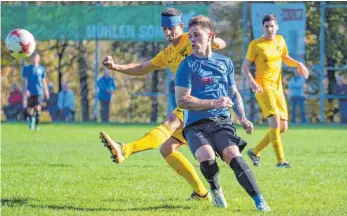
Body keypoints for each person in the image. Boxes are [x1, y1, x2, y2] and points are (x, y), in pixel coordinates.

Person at [100, 7, 226, 200]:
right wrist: (116, 67)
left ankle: (125, 149)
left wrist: (213, 40)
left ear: (181, 27)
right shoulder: (167, 53)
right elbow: (142, 68)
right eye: (164, 29)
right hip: (191, 105)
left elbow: (221, 43)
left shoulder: (190, 38)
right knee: (167, 149)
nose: (168, 32)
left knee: (170, 122)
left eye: (172, 28)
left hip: (204, 101)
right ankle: (201, 193)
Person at [175, 15, 269, 211]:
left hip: (221, 122)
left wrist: (242, 117)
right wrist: (213, 102)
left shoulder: (224, 62)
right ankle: (216, 189)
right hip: (195, 125)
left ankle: (260, 201)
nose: (192, 40)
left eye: (197, 35)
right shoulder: (186, 65)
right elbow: (182, 101)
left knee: (233, 155)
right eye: (190, 36)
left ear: (211, 36)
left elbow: (234, 94)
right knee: (207, 157)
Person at [242, 14, 309, 168]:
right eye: (267, 26)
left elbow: (284, 56)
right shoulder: (256, 45)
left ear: (277, 27)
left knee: (283, 127)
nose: (270, 29)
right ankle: (281, 161)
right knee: (275, 123)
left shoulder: (280, 40)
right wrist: (251, 82)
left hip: (277, 88)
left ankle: (255, 151)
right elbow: (245, 66)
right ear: (263, 27)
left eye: (272, 26)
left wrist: (298, 64)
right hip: (263, 87)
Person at [22, 53, 50, 130]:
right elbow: (24, 80)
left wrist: (46, 91)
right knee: (30, 109)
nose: (34, 59)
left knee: (38, 108)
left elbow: (44, 81)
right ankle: (32, 121)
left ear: (39, 59)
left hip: (39, 91)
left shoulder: (41, 69)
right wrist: (25, 90)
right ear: (31, 59)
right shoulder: (27, 68)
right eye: (33, 58)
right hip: (30, 92)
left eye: (36, 58)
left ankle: (37, 125)